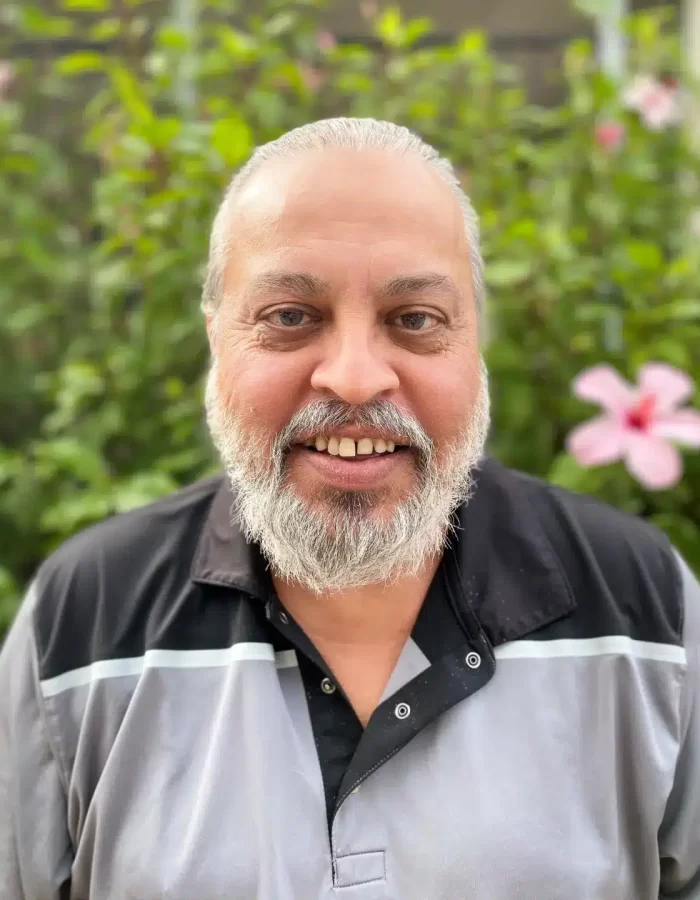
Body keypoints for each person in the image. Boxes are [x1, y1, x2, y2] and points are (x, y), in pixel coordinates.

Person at [1, 117, 699, 900]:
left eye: (415, 319)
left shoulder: (643, 609)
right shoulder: (86, 620)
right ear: (216, 338)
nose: (357, 378)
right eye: (290, 316)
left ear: (475, 339)